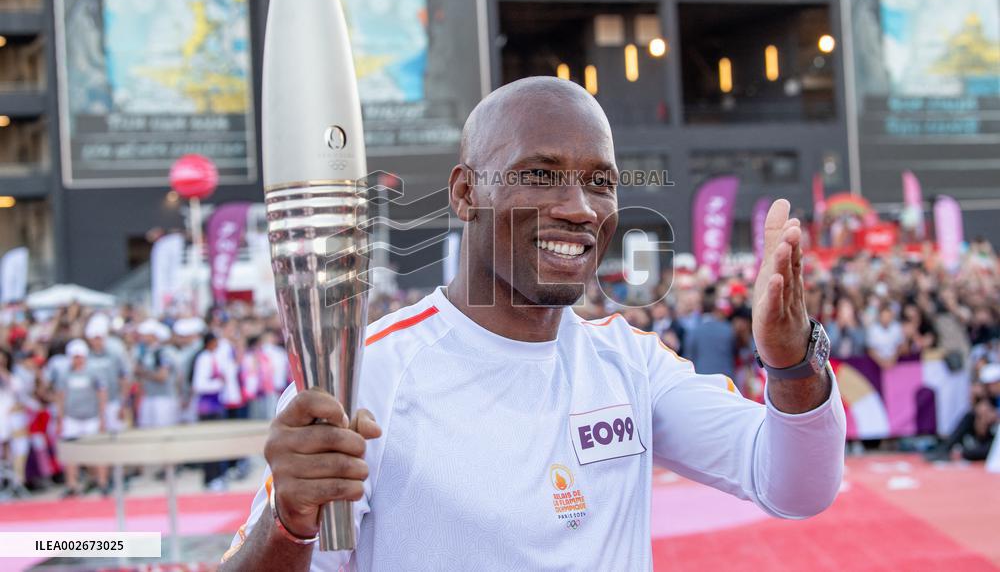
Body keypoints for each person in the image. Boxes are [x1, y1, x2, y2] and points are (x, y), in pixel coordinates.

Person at [220, 77, 846, 570]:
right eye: (539, 174)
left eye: (599, 182)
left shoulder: (632, 363)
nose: (578, 208)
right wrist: (291, 519)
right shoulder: (368, 379)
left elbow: (794, 486)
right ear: (466, 192)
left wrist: (793, 362)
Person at [54, 339, 108, 496]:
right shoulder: (65, 374)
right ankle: (72, 484)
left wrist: (102, 416)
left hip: (91, 416)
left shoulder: (94, 372)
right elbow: (61, 396)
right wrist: (61, 418)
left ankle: (102, 481)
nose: (77, 360)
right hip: (72, 417)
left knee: (97, 452)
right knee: (71, 453)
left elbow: (102, 394)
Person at [191, 332, 229, 491]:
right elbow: (198, 385)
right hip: (207, 406)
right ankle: (211, 477)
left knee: (217, 442)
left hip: (216, 404)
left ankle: (217, 475)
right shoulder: (204, 359)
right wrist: (218, 384)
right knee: (210, 443)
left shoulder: (214, 358)